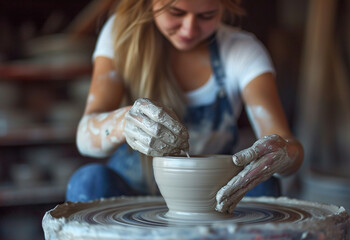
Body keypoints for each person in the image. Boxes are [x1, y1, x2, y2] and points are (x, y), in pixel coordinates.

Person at [66, 0, 303, 214]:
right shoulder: (120, 33)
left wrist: (282, 153)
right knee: (88, 181)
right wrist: (123, 122)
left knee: (265, 183)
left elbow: (287, 143)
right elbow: (85, 137)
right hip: (130, 193)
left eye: (206, 15)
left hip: (212, 199)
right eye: (176, 12)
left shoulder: (242, 51)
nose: (189, 29)